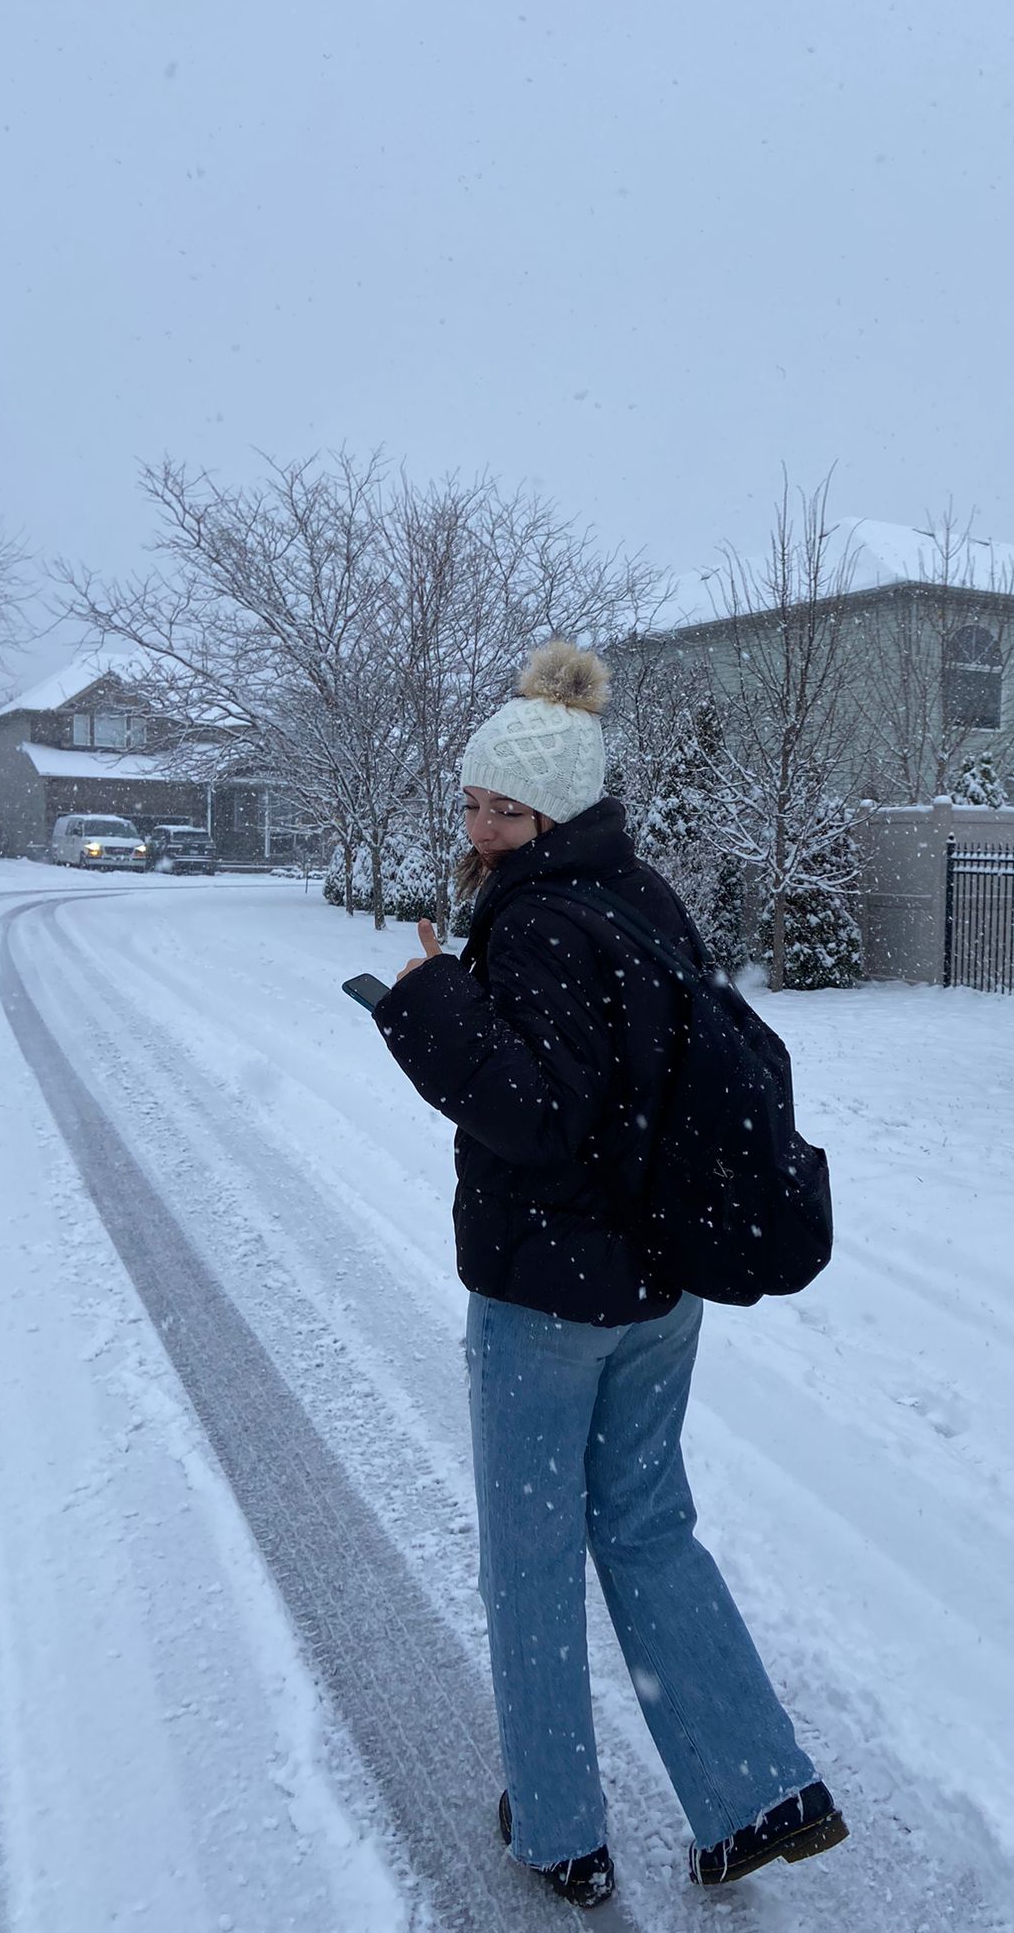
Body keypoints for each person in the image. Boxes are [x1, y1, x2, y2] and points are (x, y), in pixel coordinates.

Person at [372, 641, 846, 1910]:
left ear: (554, 813)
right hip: (657, 1286)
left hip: (548, 1302)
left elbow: (534, 1110)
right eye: (472, 798)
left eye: (502, 808)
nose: (479, 824)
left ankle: (561, 1826)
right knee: (645, 1525)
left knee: (530, 1550)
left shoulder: (533, 922)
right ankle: (755, 1791)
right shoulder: (641, 892)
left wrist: (427, 1002)